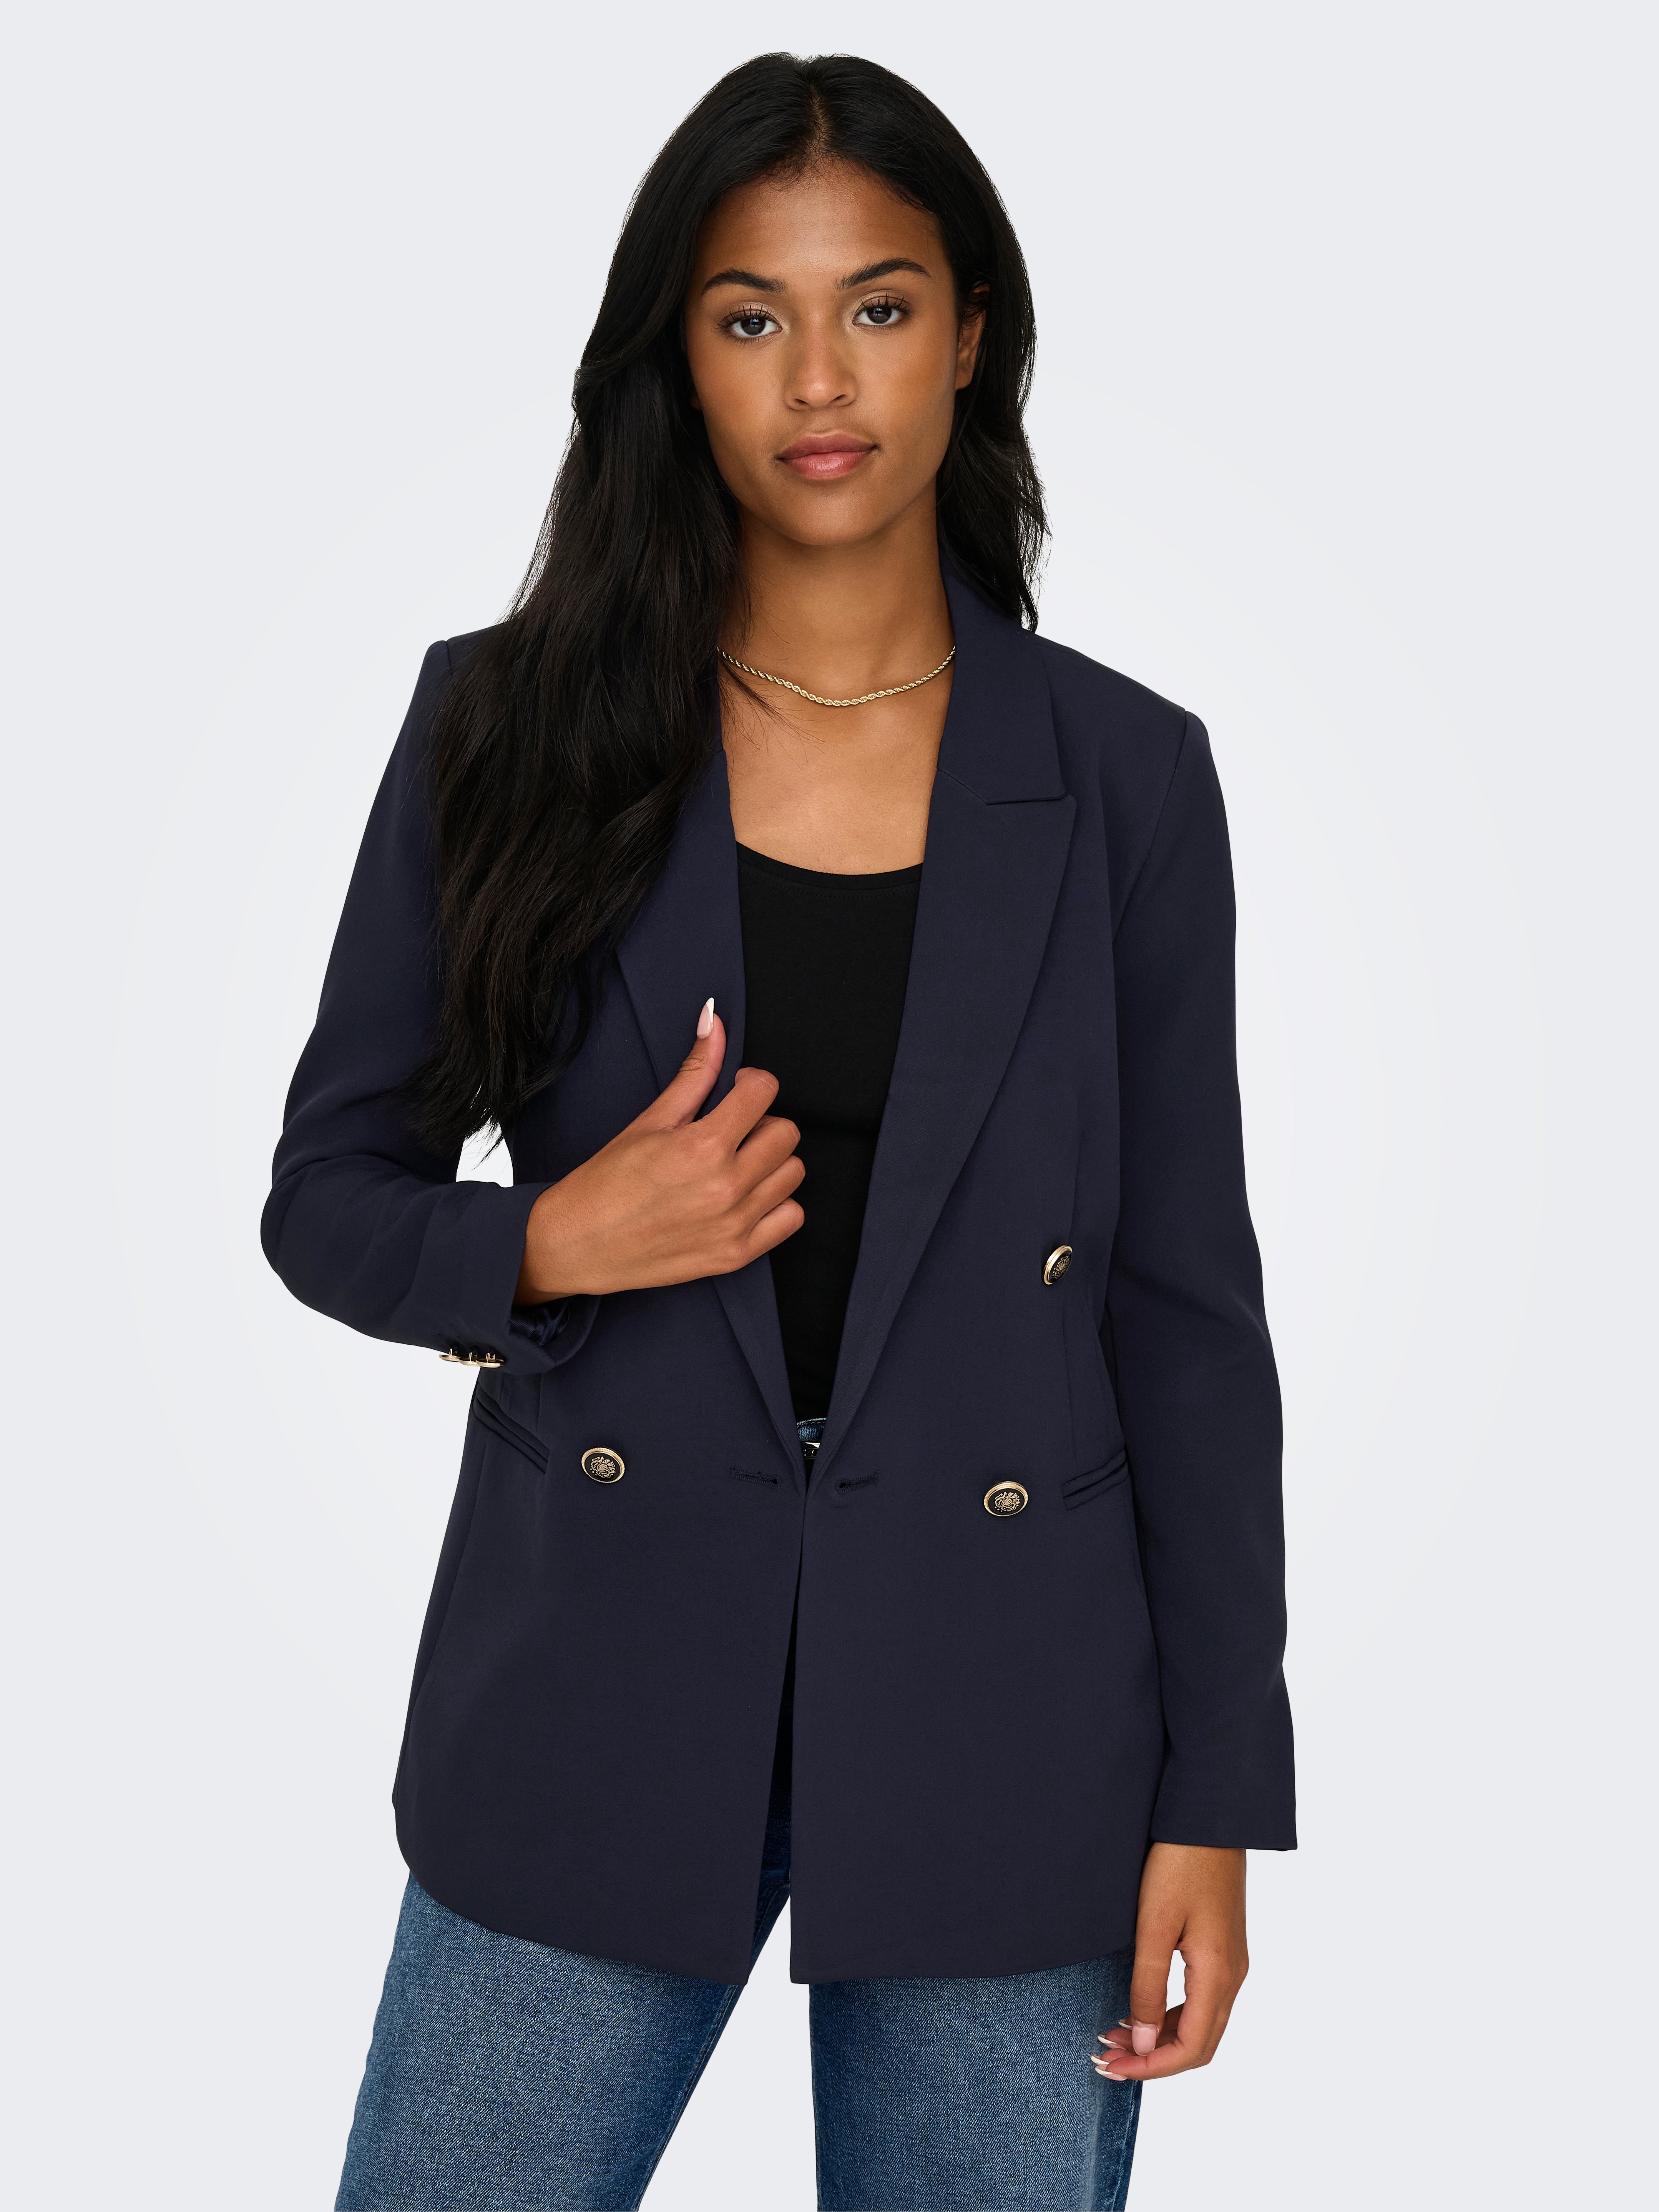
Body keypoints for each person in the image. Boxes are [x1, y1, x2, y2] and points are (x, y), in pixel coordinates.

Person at [263, 50, 1294, 2212]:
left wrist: (1216, 1789)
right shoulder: (506, 726)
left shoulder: (1128, 778)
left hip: (1015, 1719)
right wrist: (550, 1240)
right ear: (681, 357)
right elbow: (326, 1197)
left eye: (879, 306)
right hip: (597, 1683)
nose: (821, 379)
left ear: (971, 335)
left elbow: (1188, 1316)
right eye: (752, 317)